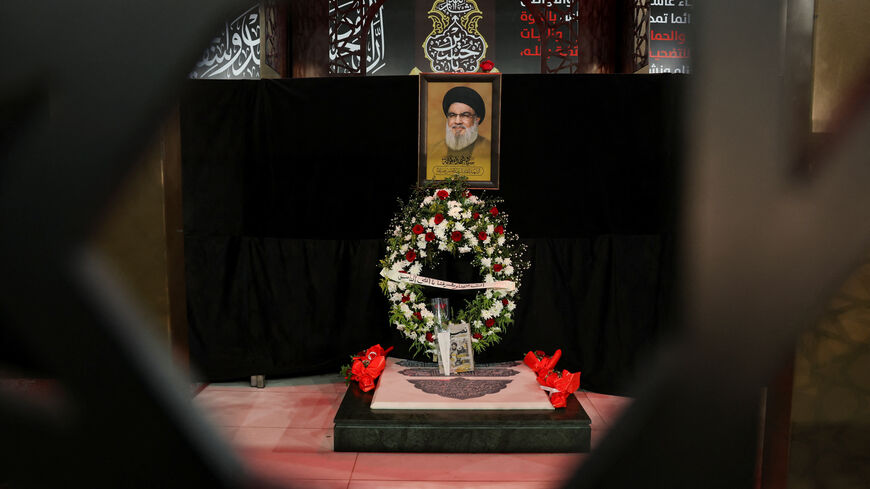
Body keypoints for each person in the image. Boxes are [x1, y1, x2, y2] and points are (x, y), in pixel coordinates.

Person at [427, 86, 491, 177]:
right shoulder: (432, 151)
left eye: (465, 115)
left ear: (476, 119)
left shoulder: (490, 150)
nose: (457, 121)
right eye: (452, 115)